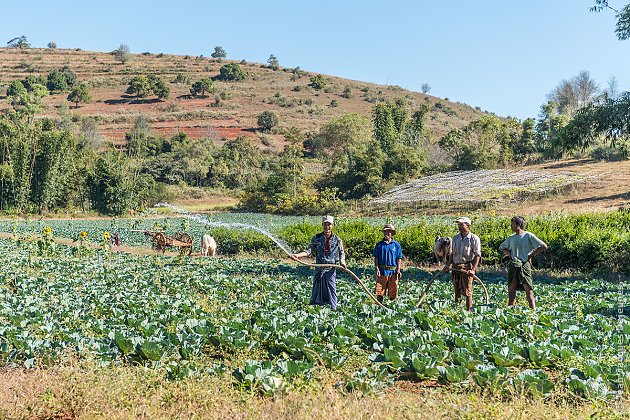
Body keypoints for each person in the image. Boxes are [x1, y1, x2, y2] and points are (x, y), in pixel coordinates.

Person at [291, 215, 346, 310]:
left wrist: (342, 262)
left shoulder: (337, 240)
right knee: (316, 288)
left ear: (332, 225)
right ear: (322, 225)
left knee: (331, 289)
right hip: (319, 267)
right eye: (325, 224)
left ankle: (334, 309)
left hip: (331, 268)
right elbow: (308, 251)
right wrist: (298, 255)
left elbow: (341, 252)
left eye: (329, 224)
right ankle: (313, 308)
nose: (327, 227)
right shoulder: (317, 238)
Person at [499, 216, 548, 310]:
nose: (511, 226)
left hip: (524, 265)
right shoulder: (511, 238)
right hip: (513, 265)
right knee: (511, 290)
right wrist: (510, 253)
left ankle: (533, 312)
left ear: (518, 225)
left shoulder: (528, 235)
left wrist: (531, 255)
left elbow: (543, 246)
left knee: (528, 290)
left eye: (512, 224)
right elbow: (501, 247)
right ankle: (510, 311)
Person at [444, 216, 481, 311]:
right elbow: (452, 253)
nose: (459, 226)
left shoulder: (474, 238)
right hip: (455, 266)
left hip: (466, 267)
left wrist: (473, 270)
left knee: (468, 291)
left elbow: (477, 255)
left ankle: (468, 311)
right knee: (457, 290)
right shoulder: (455, 238)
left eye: (462, 224)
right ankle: (458, 310)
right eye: (458, 224)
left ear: (468, 225)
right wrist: (448, 265)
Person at [373, 223, 403, 303]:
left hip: (393, 271)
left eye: (388, 232)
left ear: (392, 233)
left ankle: (392, 307)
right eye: (385, 232)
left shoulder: (396, 245)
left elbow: (399, 258)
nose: (386, 233)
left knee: (393, 291)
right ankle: (379, 306)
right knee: (380, 292)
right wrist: (377, 268)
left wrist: (399, 269)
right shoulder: (379, 245)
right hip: (382, 271)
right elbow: (376, 257)